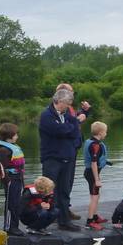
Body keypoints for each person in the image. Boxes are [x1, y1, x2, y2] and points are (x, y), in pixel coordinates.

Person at [39, 88, 82, 232]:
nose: (69, 106)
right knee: (48, 191)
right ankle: (43, 220)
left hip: (67, 158)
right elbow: (58, 131)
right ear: (58, 101)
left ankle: (64, 221)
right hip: (52, 158)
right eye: (67, 103)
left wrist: (68, 128)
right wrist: (68, 128)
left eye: (70, 103)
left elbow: (75, 131)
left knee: (64, 191)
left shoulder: (68, 115)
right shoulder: (46, 115)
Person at [0, 123, 26, 236]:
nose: (17, 136)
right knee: (11, 203)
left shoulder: (13, 147)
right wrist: (6, 180)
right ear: (9, 136)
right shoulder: (3, 150)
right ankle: (9, 227)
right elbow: (0, 166)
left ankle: (15, 225)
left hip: (18, 178)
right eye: (15, 134)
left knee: (17, 202)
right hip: (10, 179)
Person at [84, 121, 111, 230]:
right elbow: (94, 163)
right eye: (105, 132)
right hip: (92, 174)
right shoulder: (95, 145)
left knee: (97, 195)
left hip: (92, 172)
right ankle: (90, 221)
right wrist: (97, 179)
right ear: (100, 133)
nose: (106, 134)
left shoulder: (91, 141)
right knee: (94, 197)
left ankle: (94, 216)